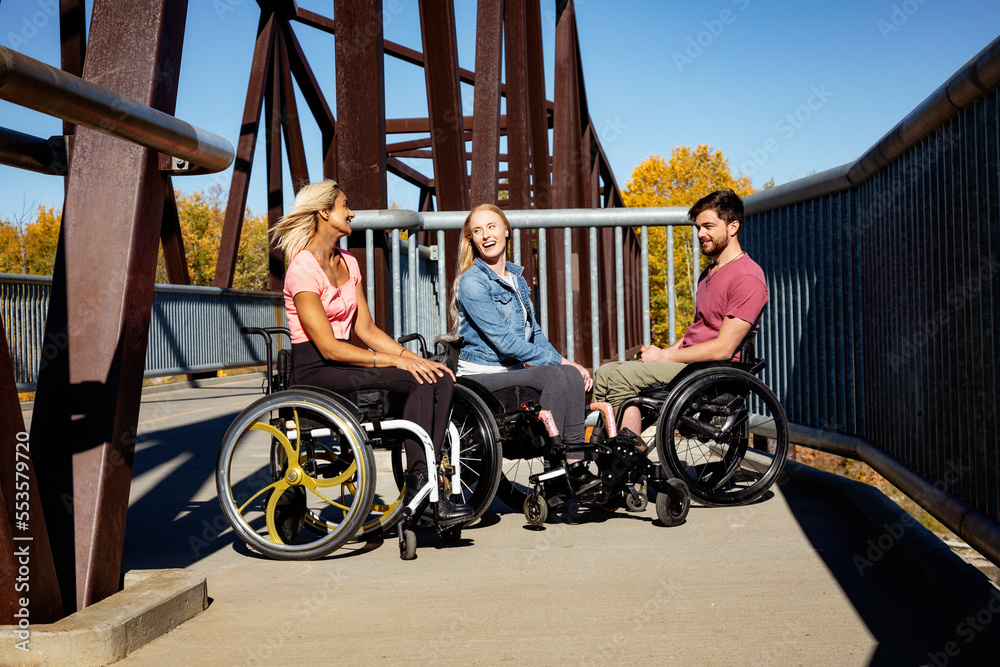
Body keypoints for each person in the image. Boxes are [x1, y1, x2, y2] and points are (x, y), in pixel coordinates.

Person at [270, 180, 472, 527]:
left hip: (346, 360)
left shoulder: (348, 261)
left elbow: (366, 330)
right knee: (415, 380)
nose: (352, 213)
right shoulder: (302, 269)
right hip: (316, 370)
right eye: (344, 206)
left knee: (437, 376)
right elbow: (329, 347)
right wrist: (394, 362)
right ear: (323, 213)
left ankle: (423, 487)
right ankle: (421, 492)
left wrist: (411, 357)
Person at [594, 189, 769, 436]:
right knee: (605, 373)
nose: (700, 234)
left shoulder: (747, 277)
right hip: (691, 364)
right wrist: (664, 352)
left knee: (622, 376)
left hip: (713, 371)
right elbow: (697, 331)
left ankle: (627, 453)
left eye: (708, 226)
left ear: (733, 227)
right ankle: (607, 448)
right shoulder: (708, 274)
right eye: (698, 227)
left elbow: (723, 348)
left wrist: (664, 358)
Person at [452, 203, 599, 493]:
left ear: (506, 229)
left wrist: (568, 362)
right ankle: (554, 464)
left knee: (568, 375)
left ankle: (574, 463)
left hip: (510, 370)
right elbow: (504, 342)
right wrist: (559, 364)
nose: (486, 235)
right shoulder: (472, 283)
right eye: (477, 231)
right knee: (554, 376)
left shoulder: (516, 280)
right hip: (480, 375)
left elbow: (535, 334)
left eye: (491, 226)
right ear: (472, 239)